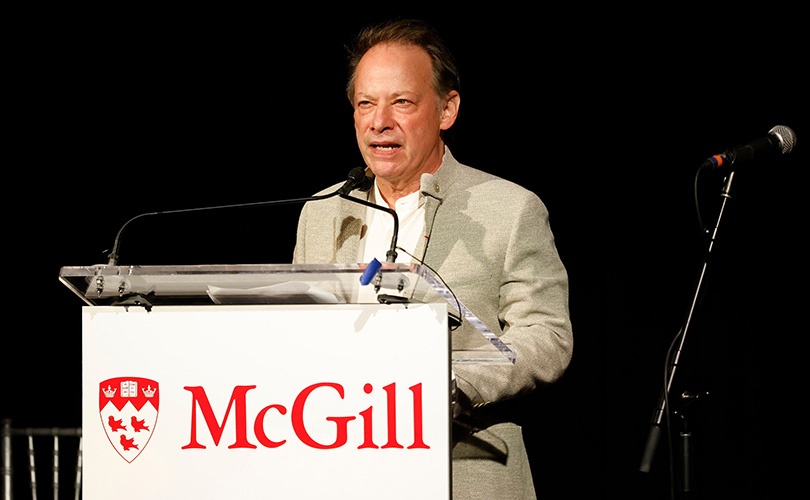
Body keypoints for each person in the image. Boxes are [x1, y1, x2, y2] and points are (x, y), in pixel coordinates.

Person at [292, 18, 573, 499]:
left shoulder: (508, 208)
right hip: (340, 468)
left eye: (401, 102)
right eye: (365, 104)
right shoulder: (322, 212)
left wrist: (452, 382)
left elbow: (546, 335)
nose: (379, 121)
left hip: (462, 468)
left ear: (447, 109)